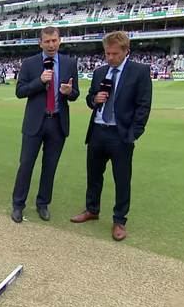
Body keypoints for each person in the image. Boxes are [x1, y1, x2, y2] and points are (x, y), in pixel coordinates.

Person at [70, 31, 152, 241]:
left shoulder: (139, 72)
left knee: (122, 179)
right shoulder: (100, 72)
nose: (110, 57)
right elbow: (89, 99)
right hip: (97, 131)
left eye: (115, 54)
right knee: (94, 175)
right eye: (107, 53)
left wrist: (133, 134)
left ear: (126, 51)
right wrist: (95, 99)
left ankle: (119, 220)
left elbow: (144, 106)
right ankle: (92, 210)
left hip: (120, 135)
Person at [11, 26, 79, 223]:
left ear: (60, 41)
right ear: (40, 43)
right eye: (47, 41)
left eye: (54, 40)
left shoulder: (69, 63)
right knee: (26, 165)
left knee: (50, 167)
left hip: (57, 123)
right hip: (35, 123)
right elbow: (20, 91)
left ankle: (43, 204)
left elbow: (75, 95)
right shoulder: (30, 63)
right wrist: (40, 81)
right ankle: (18, 204)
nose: (51, 45)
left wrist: (69, 92)